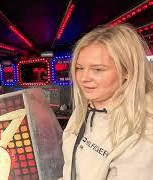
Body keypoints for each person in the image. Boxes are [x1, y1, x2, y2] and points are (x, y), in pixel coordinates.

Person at [60, 24, 153, 180]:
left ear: (127, 72)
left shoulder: (143, 133)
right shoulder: (84, 109)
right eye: (79, 68)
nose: (83, 78)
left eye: (98, 69)